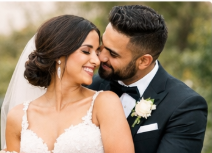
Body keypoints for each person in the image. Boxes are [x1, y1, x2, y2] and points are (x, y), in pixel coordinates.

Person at [3, 15, 134, 153]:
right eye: (86, 51)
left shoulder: (104, 103)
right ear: (59, 54)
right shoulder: (18, 117)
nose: (97, 61)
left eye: (97, 53)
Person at [87, 5, 208, 153]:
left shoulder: (186, 107)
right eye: (102, 46)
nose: (101, 57)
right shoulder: (90, 85)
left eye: (113, 54)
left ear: (144, 61)